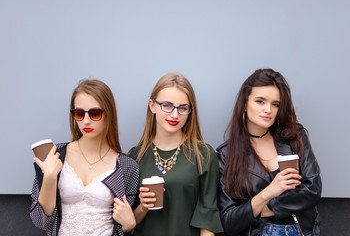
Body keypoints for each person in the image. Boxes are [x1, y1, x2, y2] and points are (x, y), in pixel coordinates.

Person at [217, 69, 321, 236]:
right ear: (245, 103)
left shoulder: (294, 137)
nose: (268, 110)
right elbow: (229, 220)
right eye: (260, 101)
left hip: (302, 231)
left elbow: (312, 190)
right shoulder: (226, 155)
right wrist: (268, 192)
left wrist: (263, 208)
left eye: (275, 104)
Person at [30, 79, 140, 236]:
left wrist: (128, 227)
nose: (86, 121)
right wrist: (49, 177)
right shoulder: (56, 155)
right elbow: (41, 222)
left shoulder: (127, 167)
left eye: (94, 113)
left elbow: (121, 229)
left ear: (108, 113)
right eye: (79, 113)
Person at [128, 73, 223, 236]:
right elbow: (128, 225)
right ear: (152, 106)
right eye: (167, 105)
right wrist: (143, 207)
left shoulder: (204, 155)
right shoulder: (134, 157)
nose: (174, 115)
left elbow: (208, 219)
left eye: (183, 108)